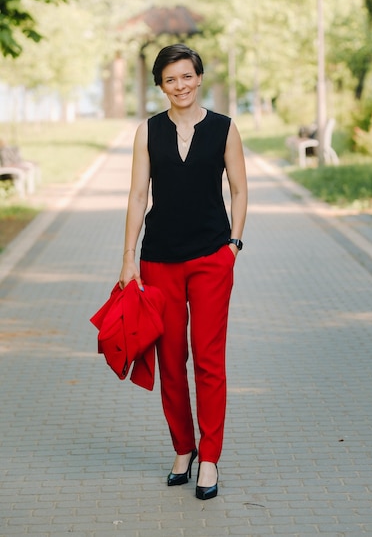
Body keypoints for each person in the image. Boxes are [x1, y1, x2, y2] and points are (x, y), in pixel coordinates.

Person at [119, 43, 247, 500]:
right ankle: (183, 448)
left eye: (187, 77)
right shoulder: (147, 132)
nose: (181, 86)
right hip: (159, 261)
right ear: (160, 85)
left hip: (212, 258)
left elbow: (239, 189)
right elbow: (137, 196)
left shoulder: (225, 129)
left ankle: (209, 456)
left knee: (209, 361)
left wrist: (233, 245)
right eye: (171, 79)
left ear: (199, 78)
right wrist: (128, 257)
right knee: (172, 362)